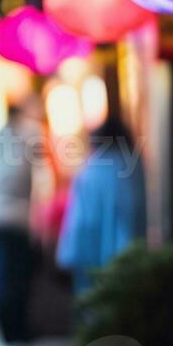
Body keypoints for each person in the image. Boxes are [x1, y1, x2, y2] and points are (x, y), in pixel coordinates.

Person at [55, 116, 146, 297]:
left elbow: (79, 224)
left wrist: (66, 258)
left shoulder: (89, 172)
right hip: (131, 259)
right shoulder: (135, 169)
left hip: (91, 266)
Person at [0, 103, 41, 343]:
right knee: (13, 277)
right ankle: (15, 331)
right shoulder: (31, 135)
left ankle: (7, 330)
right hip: (18, 218)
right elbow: (42, 179)